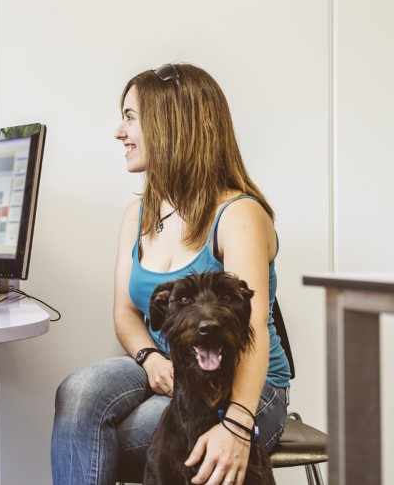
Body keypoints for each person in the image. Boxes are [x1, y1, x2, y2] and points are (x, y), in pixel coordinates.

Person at [51, 63, 290, 485]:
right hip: (171, 364)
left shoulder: (239, 215)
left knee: (126, 439)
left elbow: (252, 329)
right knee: (79, 392)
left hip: (247, 386)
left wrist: (237, 423)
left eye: (130, 117)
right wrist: (151, 358)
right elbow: (126, 312)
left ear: (171, 123)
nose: (118, 133)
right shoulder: (138, 214)